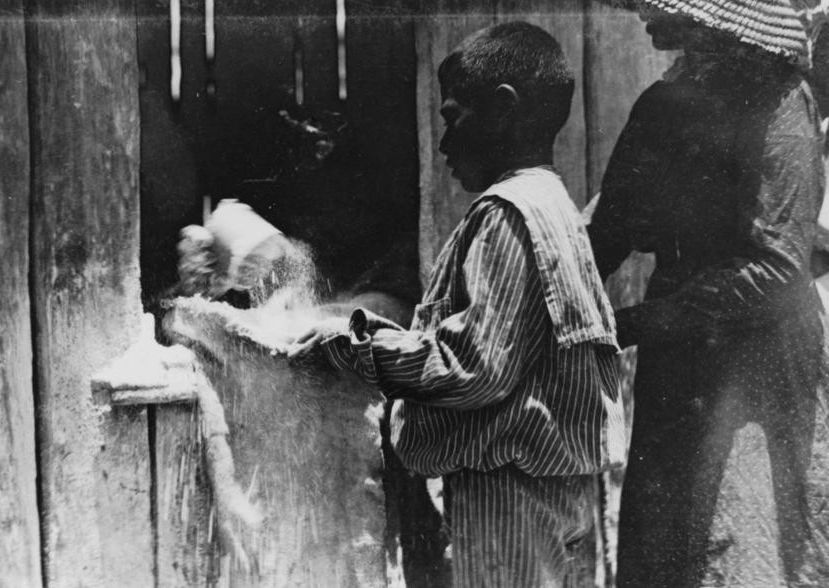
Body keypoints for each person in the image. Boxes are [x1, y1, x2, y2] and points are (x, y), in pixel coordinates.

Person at [290, 22, 625, 587]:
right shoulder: (553, 204)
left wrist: (356, 351)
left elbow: (473, 369)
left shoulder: (505, 215)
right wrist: (371, 328)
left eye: (452, 118)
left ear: (502, 110)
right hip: (547, 484)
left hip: (506, 487)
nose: (443, 143)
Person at [588, 2, 829, 586]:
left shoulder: (781, 104)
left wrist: (638, 323)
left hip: (759, 356)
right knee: (670, 533)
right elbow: (610, 230)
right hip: (680, 358)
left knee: (746, 533)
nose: (646, 18)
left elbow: (777, 267)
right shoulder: (661, 106)